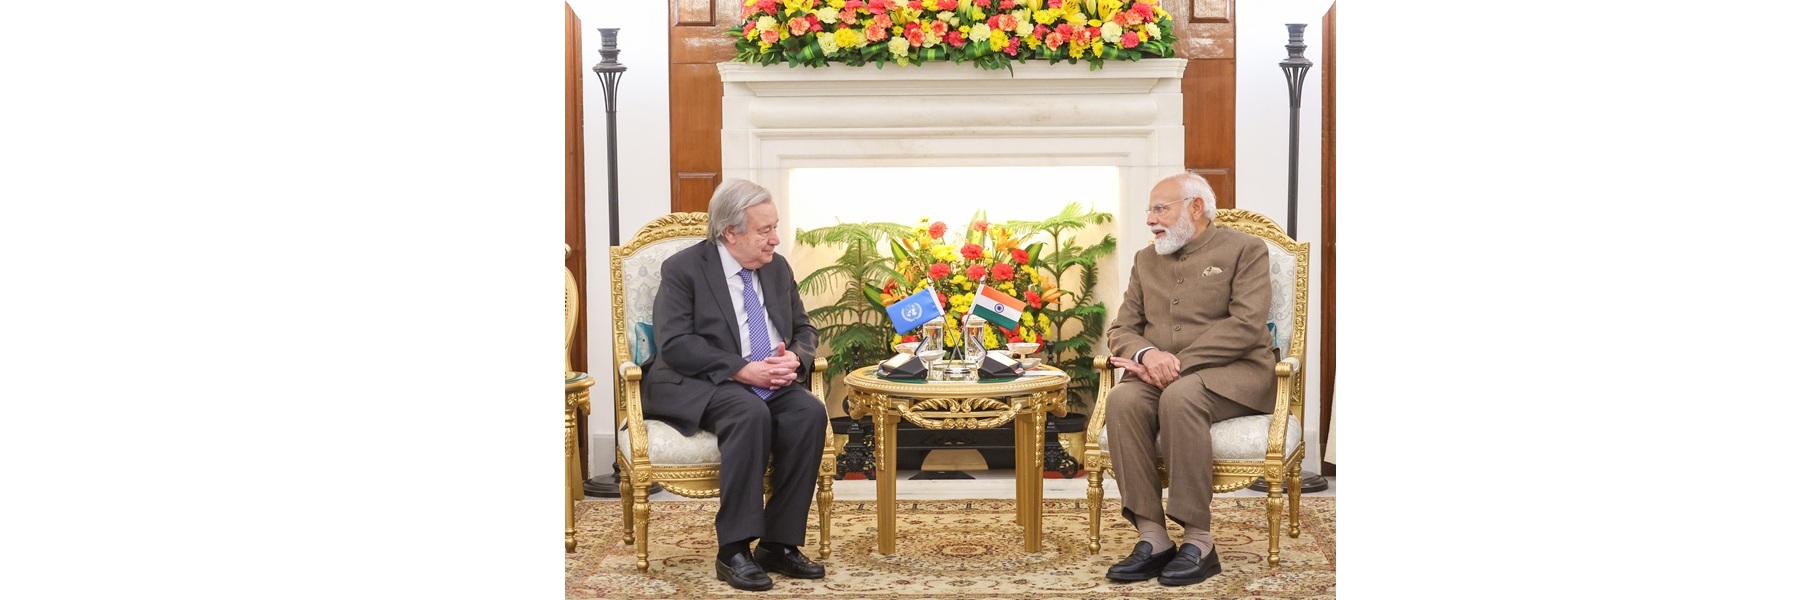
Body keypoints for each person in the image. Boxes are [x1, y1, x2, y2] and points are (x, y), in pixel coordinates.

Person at [645, 178, 827, 591]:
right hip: (704, 380)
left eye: (775, 227)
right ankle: (734, 550)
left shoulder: (777, 268)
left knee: (809, 411)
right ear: (731, 232)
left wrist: (795, 357)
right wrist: (742, 370)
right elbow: (675, 344)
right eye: (765, 230)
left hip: (769, 377)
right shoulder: (684, 269)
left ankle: (778, 544)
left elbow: (803, 327)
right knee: (748, 411)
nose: (775, 240)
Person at [1100, 172, 1276, 587]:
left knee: (1181, 396)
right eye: (1149, 210)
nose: (1150, 219)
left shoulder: (1245, 249)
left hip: (1236, 374)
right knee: (1122, 401)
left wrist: (1175, 363)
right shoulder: (1146, 260)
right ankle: (1153, 538)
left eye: (1160, 208)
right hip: (1160, 373)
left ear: (1195, 208)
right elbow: (1121, 329)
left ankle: (1199, 541)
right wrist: (1148, 355)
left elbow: (1248, 324)